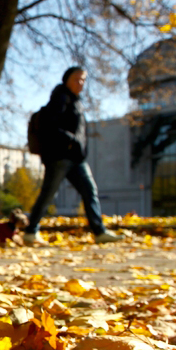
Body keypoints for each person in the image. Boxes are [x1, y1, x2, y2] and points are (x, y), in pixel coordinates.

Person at [23, 67, 123, 246]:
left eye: (83, 79)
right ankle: (31, 231)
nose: (81, 83)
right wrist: (72, 141)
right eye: (77, 79)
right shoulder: (60, 98)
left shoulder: (76, 101)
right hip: (60, 157)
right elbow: (51, 126)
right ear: (66, 79)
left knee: (89, 190)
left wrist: (77, 146)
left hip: (76, 158)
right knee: (48, 193)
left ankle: (99, 231)